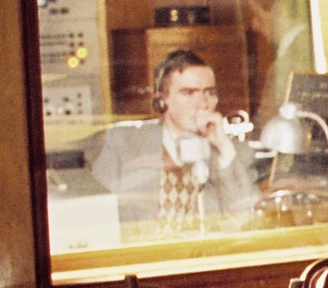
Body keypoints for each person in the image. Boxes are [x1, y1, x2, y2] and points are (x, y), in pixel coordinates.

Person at [89, 49, 260, 233]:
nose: (202, 103)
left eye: (209, 92)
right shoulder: (122, 144)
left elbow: (247, 220)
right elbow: (95, 214)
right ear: (161, 102)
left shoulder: (234, 154)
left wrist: (224, 148)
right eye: (188, 92)